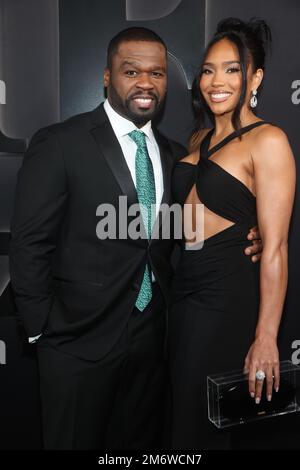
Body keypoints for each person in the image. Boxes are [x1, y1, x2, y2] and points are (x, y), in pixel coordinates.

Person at [9, 27, 262, 450]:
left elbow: (189, 230)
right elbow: (29, 243)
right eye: (132, 71)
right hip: (76, 346)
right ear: (107, 76)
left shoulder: (175, 154)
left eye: (158, 74)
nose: (146, 83)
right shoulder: (59, 143)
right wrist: (43, 333)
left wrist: (247, 234)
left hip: (153, 345)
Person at [168, 18, 296, 450]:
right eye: (208, 69)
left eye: (232, 69)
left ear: (255, 77)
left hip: (227, 300)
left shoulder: (269, 140)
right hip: (182, 294)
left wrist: (265, 337)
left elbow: (275, 247)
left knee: (207, 427)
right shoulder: (198, 137)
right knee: (181, 420)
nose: (215, 81)